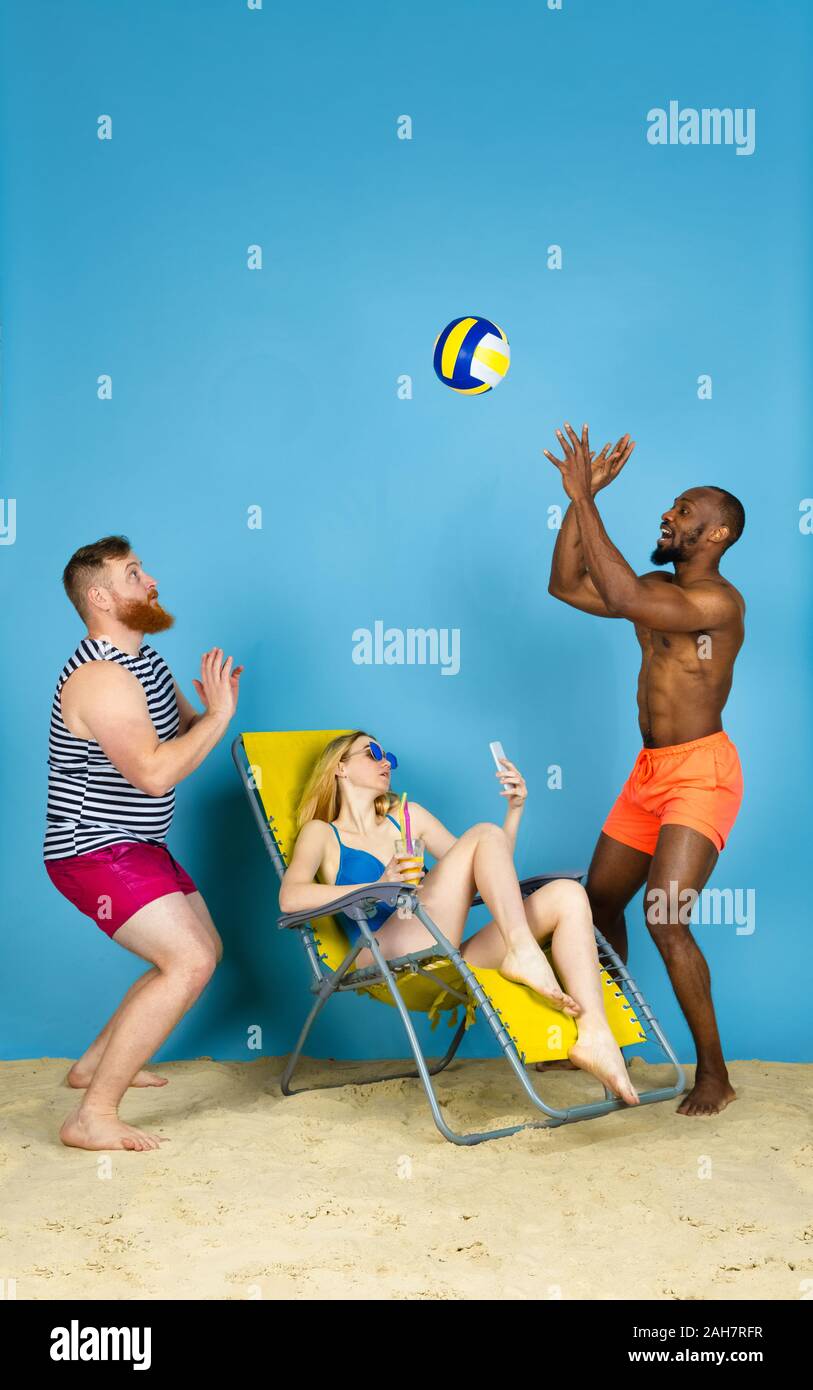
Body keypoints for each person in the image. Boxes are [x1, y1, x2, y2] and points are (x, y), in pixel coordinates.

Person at [545, 422, 745, 1116]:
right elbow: (565, 584)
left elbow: (626, 596)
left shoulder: (716, 604)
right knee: (597, 904)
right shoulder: (657, 589)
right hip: (648, 773)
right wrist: (582, 500)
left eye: (685, 511)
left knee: (664, 917)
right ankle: (606, 1034)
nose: (668, 514)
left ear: (715, 535)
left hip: (700, 774)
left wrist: (582, 496)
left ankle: (713, 1074)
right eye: (671, 506)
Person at [279, 730, 640, 1105]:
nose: (385, 761)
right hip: (382, 953)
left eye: (388, 755)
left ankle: (595, 1035)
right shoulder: (322, 833)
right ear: (340, 767)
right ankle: (523, 953)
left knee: (568, 894)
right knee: (483, 833)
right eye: (372, 753)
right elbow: (291, 897)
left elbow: (486, 867)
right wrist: (376, 885)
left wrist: (514, 812)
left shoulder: (409, 817)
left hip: (437, 948)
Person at [44, 535, 243, 1152]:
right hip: (91, 849)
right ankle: (92, 1115)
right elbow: (155, 771)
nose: (150, 580)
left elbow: (180, 731)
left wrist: (210, 709)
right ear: (101, 597)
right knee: (188, 962)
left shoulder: (145, 662)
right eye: (134, 575)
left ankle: (92, 1065)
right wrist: (217, 720)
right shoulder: (100, 678)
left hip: (136, 844)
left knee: (200, 949)